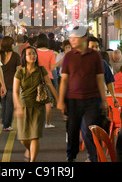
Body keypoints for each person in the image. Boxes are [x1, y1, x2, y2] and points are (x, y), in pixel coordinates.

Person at [57, 27, 108, 162]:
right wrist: (61, 100)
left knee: (90, 130)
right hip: (73, 100)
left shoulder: (95, 56)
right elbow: (64, 80)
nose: (71, 40)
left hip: (91, 100)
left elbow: (99, 78)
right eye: (71, 38)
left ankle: (93, 157)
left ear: (84, 38)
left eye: (75, 38)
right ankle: (71, 157)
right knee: (72, 131)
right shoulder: (69, 56)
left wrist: (104, 100)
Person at [13, 46, 58, 162]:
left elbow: (49, 84)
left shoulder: (41, 70)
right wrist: (17, 106)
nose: (33, 56)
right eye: (29, 54)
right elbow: (15, 91)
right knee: (23, 139)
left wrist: (58, 100)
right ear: (24, 57)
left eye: (34, 53)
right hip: (24, 107)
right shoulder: (20, 72)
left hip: (38, 107)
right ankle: (30, 149)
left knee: (34, 136)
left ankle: (32, 160)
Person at [0, 36, 21, 131]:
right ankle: (7, 125)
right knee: (9, 105)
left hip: (1, 83)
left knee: (3, 104)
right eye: (12, 43)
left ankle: (4, 122)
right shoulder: (15, 55)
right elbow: (20, 69)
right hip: (12, 82)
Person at [36, 33, 57, 128]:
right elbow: (52, 67)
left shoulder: (34, 52)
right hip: (48, 78)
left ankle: (36, 122)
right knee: (47, 102)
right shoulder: (51, 53)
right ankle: (47, 123)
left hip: (36, 78)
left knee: (36, 101)